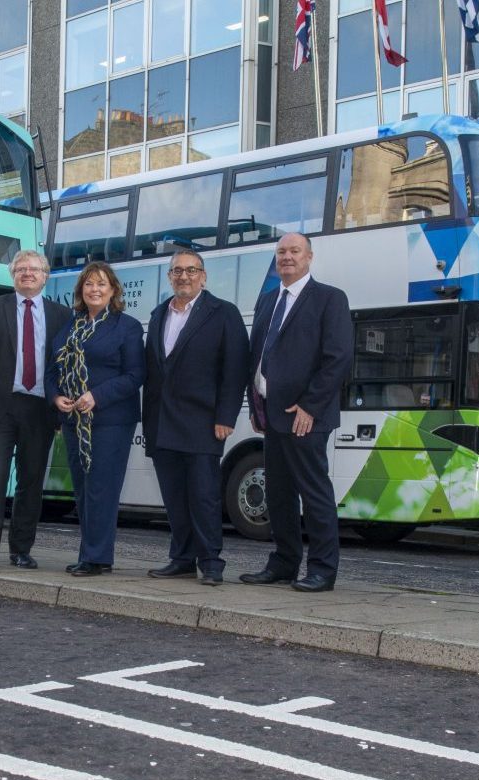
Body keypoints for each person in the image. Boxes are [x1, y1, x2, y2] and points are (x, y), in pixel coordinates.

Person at [239, 232, 352, 592]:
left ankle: (321, 569)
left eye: (294, 251)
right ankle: (284, 563)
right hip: (272, 415)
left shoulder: (329, 299)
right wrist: (257, 404)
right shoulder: (268, 300)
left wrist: (311, 406)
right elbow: (257, 356)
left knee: (314, 493)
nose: (287, 257)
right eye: (281, 252)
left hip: (306, 416)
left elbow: (338, 359)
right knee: (279, 494)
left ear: (309, 257)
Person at [141, 250, 250, 585]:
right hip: (162, 422)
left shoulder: (224, 313)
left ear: (203, 276)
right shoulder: (159, 313)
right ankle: (183, 558)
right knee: (174, 497)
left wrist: (226, 416)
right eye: (176, 271)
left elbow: (235, 369)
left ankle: (211, 562)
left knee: (203, 496)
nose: (183, 276)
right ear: (169, 277)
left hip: (203, 422)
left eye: (191, 270)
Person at [0, 249, 72, 571]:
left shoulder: (61, 316)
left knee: (31, 481)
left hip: (40, 409)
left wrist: (61, 407)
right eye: (21, 269)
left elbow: (65, 368)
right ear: (13, 276)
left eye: (34, 269)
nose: (27, 274)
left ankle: (21, 549)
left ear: (45, 276)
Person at [45, 262, 145, 576]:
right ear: (81, 291)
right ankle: (92, 554)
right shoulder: (70, 326)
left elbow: (135, 375)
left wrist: (96, 396)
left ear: (113, 290)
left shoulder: (126, 326)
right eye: (89, 284)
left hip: (111, 420)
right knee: (83, 489)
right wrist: (55, 396)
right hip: (74, 422)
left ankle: (96, 556)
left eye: (101, 284)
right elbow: (52, 370)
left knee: (102, 487)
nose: (95, 290)